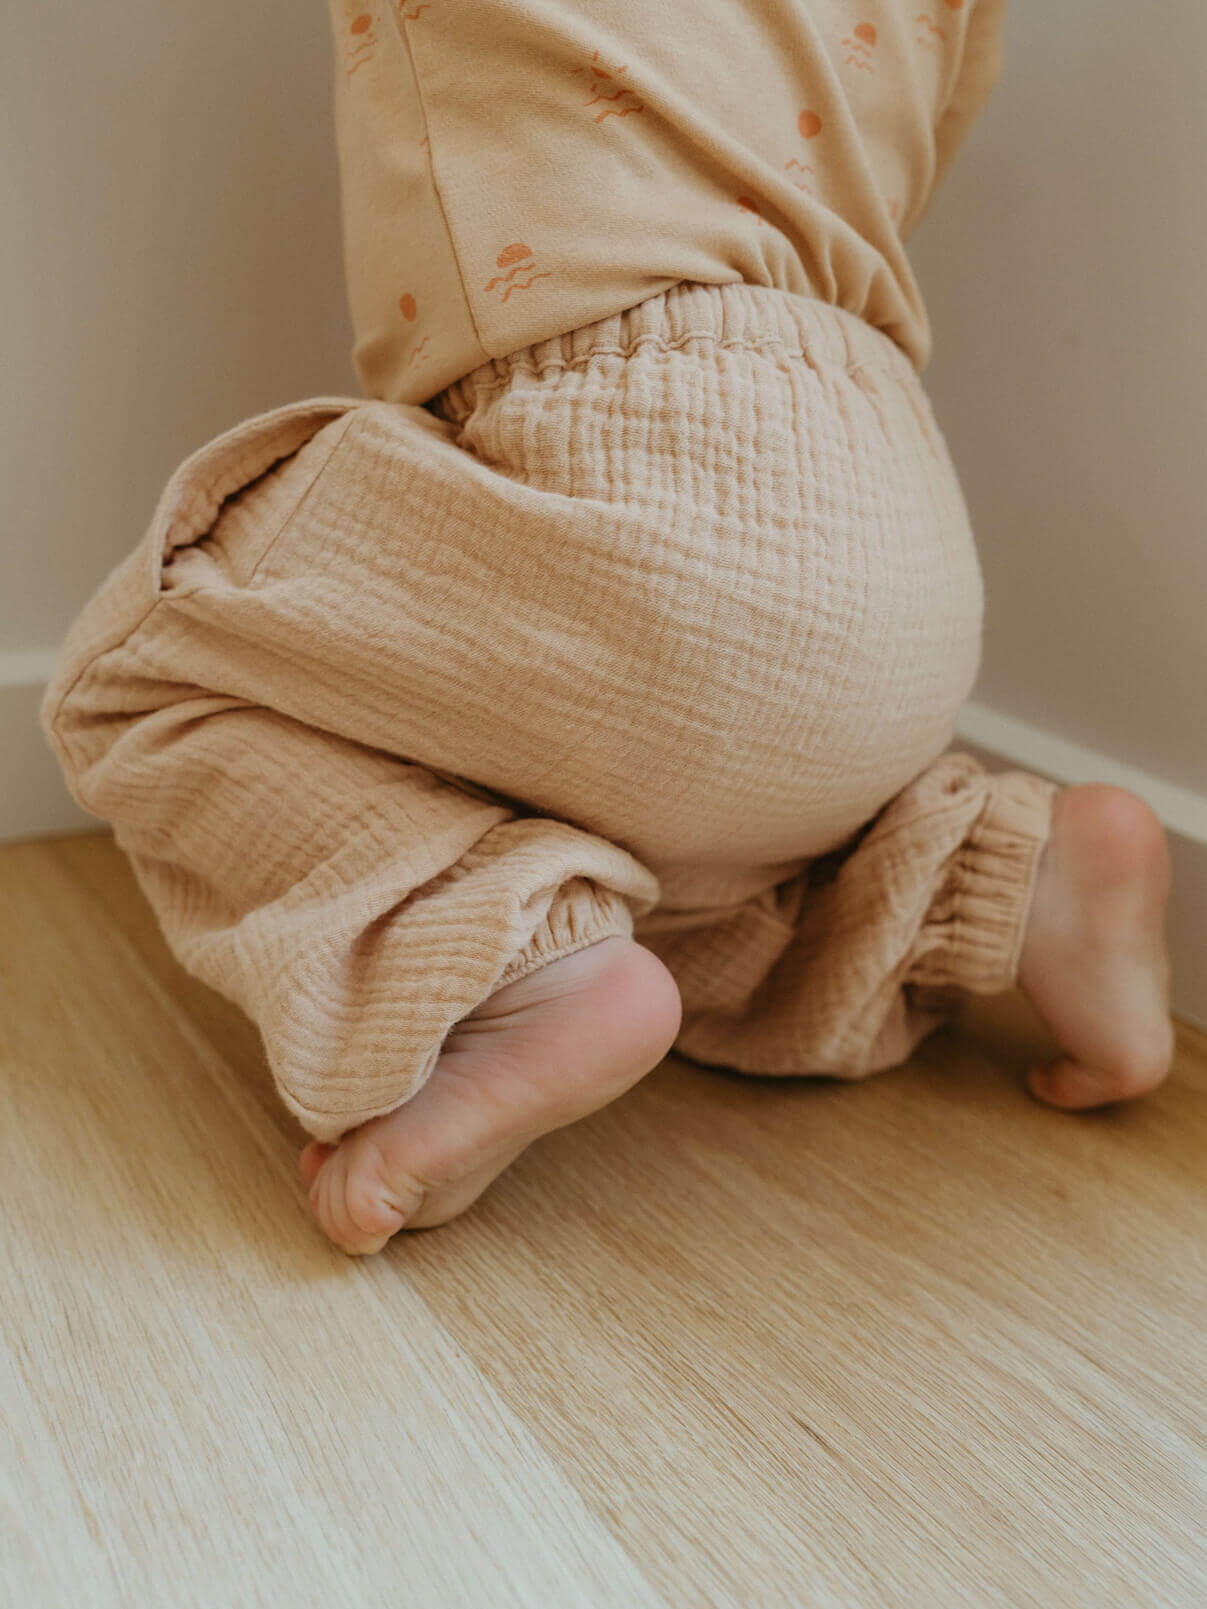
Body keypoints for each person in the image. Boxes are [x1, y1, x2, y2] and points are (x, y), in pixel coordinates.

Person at [42, 0, 1174, 1255]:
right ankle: (1017, 879)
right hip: (892, 499)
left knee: (135, 672)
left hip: (632, 462)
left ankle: (510, 973)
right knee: (690, 855)